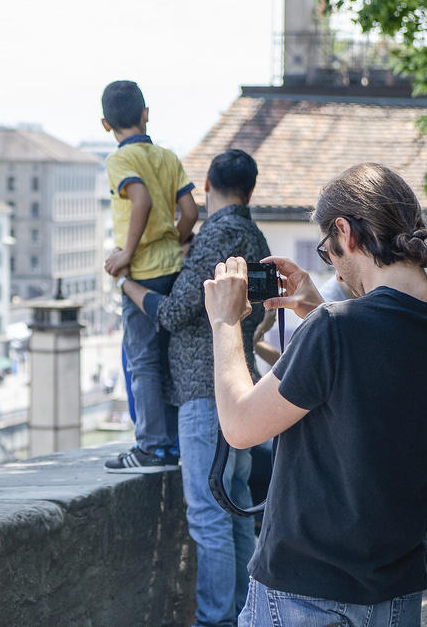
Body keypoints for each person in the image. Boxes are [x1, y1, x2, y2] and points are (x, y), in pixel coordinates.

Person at [204, 163, 427, 626]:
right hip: (395, 592)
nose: (331, 264)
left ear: (344, 231)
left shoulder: (336, 331)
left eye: (328, 249)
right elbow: (385, 382)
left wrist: (224, 322)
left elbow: (239, 426)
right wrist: (320, 309)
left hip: (302, 588)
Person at [120, 148, 269, 627]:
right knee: (237, 506)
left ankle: (216, 620)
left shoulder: (217, 237)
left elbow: (175, 310)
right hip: (240, 385)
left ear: (206, 186)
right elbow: (262, 310)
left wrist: (127, 285)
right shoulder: (253, 234)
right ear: (251, 188)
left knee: (209, 515)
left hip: (205, 392)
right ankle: (250, 613)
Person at [101, 79, 198, 472]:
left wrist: (127, 252)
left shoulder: (118, 161)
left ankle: (152, 448)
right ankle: (172, 443)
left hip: (140, 275)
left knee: (142, 361)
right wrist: (172, 239)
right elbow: (190, 212)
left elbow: (138, 198)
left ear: (105, 125)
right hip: (174, 269)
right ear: (146, 115)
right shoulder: (168, 156)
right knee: (169, 358)